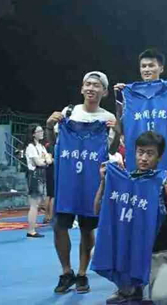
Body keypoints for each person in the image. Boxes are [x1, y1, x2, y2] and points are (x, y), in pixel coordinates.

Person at [46, 71, 120, 294]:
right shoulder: (68, 113)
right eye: (88, 84)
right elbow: (54, 144)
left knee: (88, 230)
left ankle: (81, 273)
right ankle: (66, 271)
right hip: (67, 182)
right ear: (81, 88)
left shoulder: (107, 118)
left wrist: (117, 132)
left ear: (104, 92)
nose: (91, 88)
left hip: (91, 184)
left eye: (96, 85)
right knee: (59, 227)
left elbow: (111, 150)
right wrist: (49, 126)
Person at [93, 131, 167, 304]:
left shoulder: (165, 181)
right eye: (140, 152)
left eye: (150, 153)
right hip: (131, 250)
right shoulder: (125, 179)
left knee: (161, 298)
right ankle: (129, 286)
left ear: (159, 157)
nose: (144, 158)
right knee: (97, 250)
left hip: (158, 253)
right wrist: (103, 182)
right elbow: (97, 211)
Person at [24, 124, 52, 238]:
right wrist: (45, 160)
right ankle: (31, 230)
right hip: (34, 176)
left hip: (42, 175)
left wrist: (45, 160)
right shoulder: (31, 147)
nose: (42, 133)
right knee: (34, 204)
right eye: (39, 131)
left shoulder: (41, 147)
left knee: (38, 203)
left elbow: (49, 160)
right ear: (33, 134)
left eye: (42, 131)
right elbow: (38, 162)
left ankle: (32, 227)